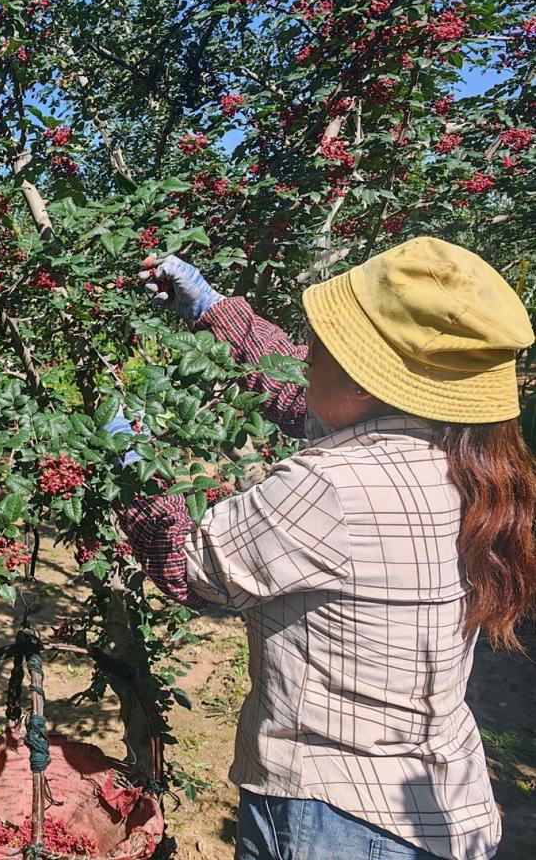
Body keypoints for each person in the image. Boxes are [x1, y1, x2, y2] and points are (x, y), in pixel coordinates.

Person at [107, 237, 535, 860]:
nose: (306, 360)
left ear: (364, 384)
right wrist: (210, 308)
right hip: (436, 803)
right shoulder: (467, 463)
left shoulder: (331, 488)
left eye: (322, 350)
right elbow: (295, 390)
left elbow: (189, 566)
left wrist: (125, 464)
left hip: (332, 821)